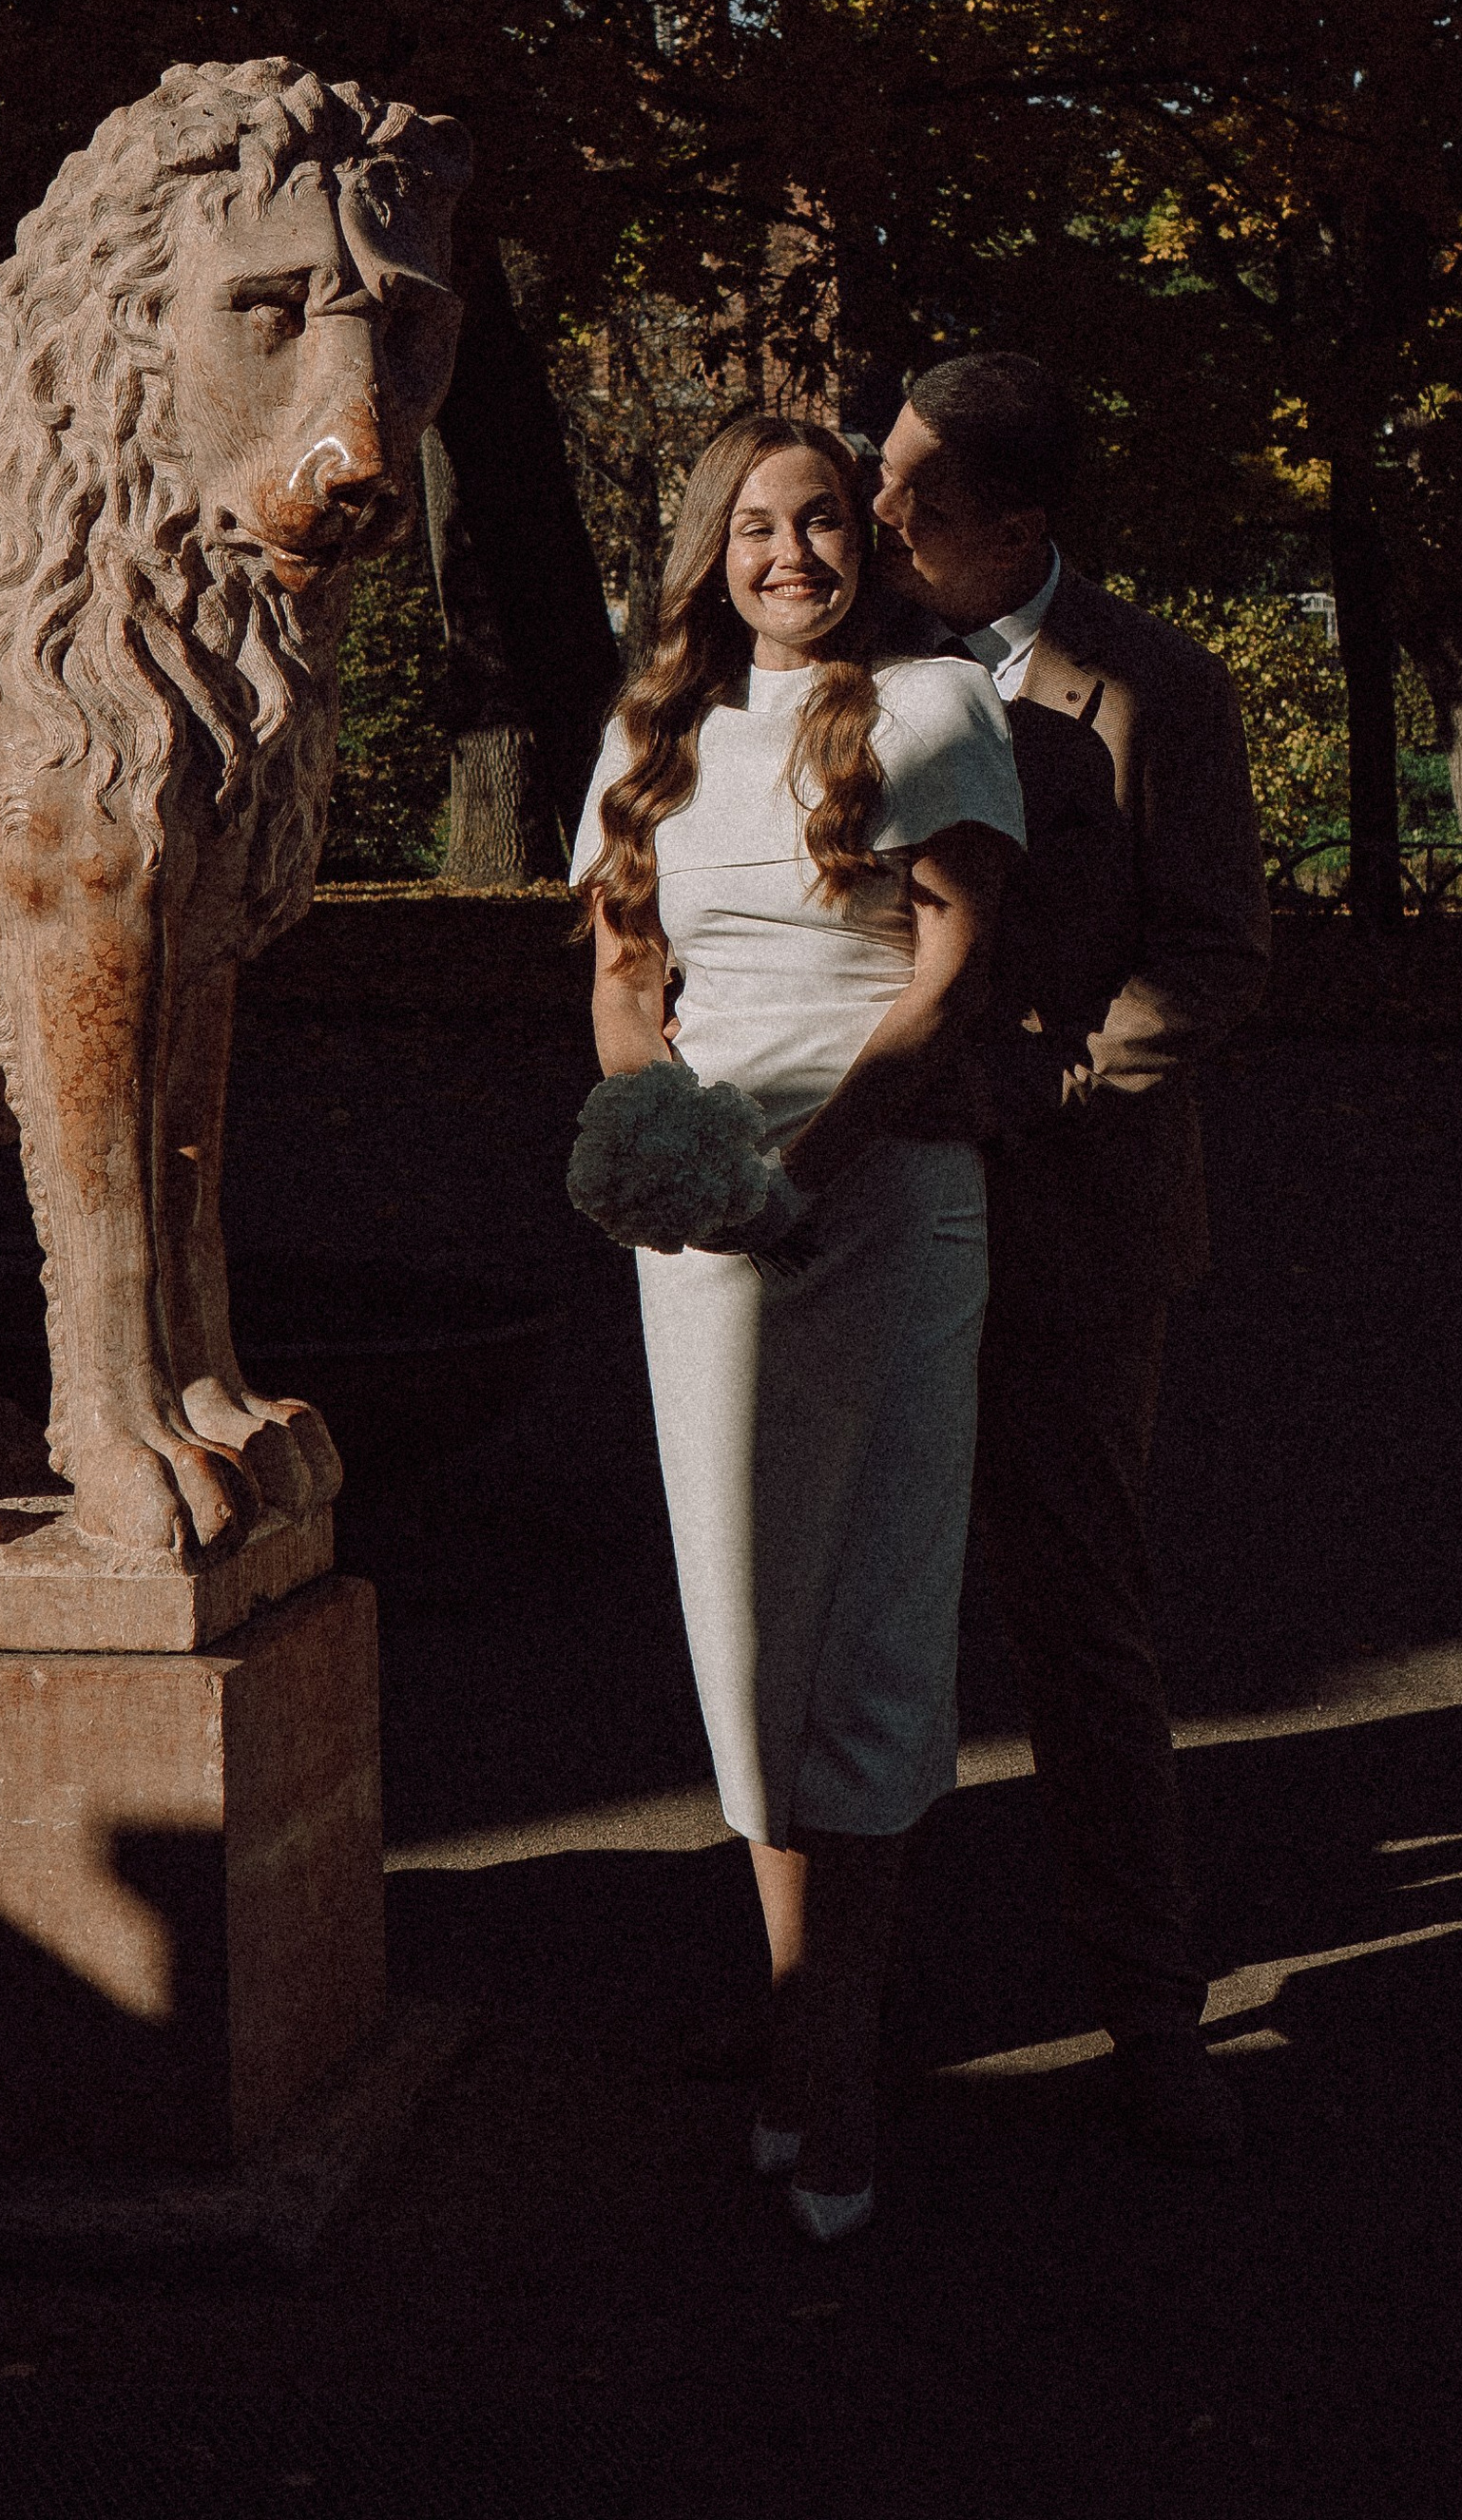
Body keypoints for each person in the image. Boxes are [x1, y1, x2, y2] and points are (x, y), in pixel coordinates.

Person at [572, 413, 1025, 2241]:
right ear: (709, 549)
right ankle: (795, 2022)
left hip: (890, 1200)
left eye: (821, 519)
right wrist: (676, 1157)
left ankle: (833, 2067)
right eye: (753, 525)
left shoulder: (932, 710)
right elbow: (622, 980)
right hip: (708, 1232)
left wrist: (814, 1161)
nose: (788, 553)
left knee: (881, 1615)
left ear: (869, 541)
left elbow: (957, 969)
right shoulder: (650, 738)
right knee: (745, 1626)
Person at [872, 353, 1270, 2155]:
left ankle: (1149, 2012)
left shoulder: (1155, 684)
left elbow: (1213, 953)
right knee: (849, 1605)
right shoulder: (849, 663)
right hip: (865, 1205)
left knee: (1077, 1621)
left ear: (1020, 529)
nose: (877, 520)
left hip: (1071, 1222)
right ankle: (827, 2008)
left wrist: (1041, 1090)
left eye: (916, 501)